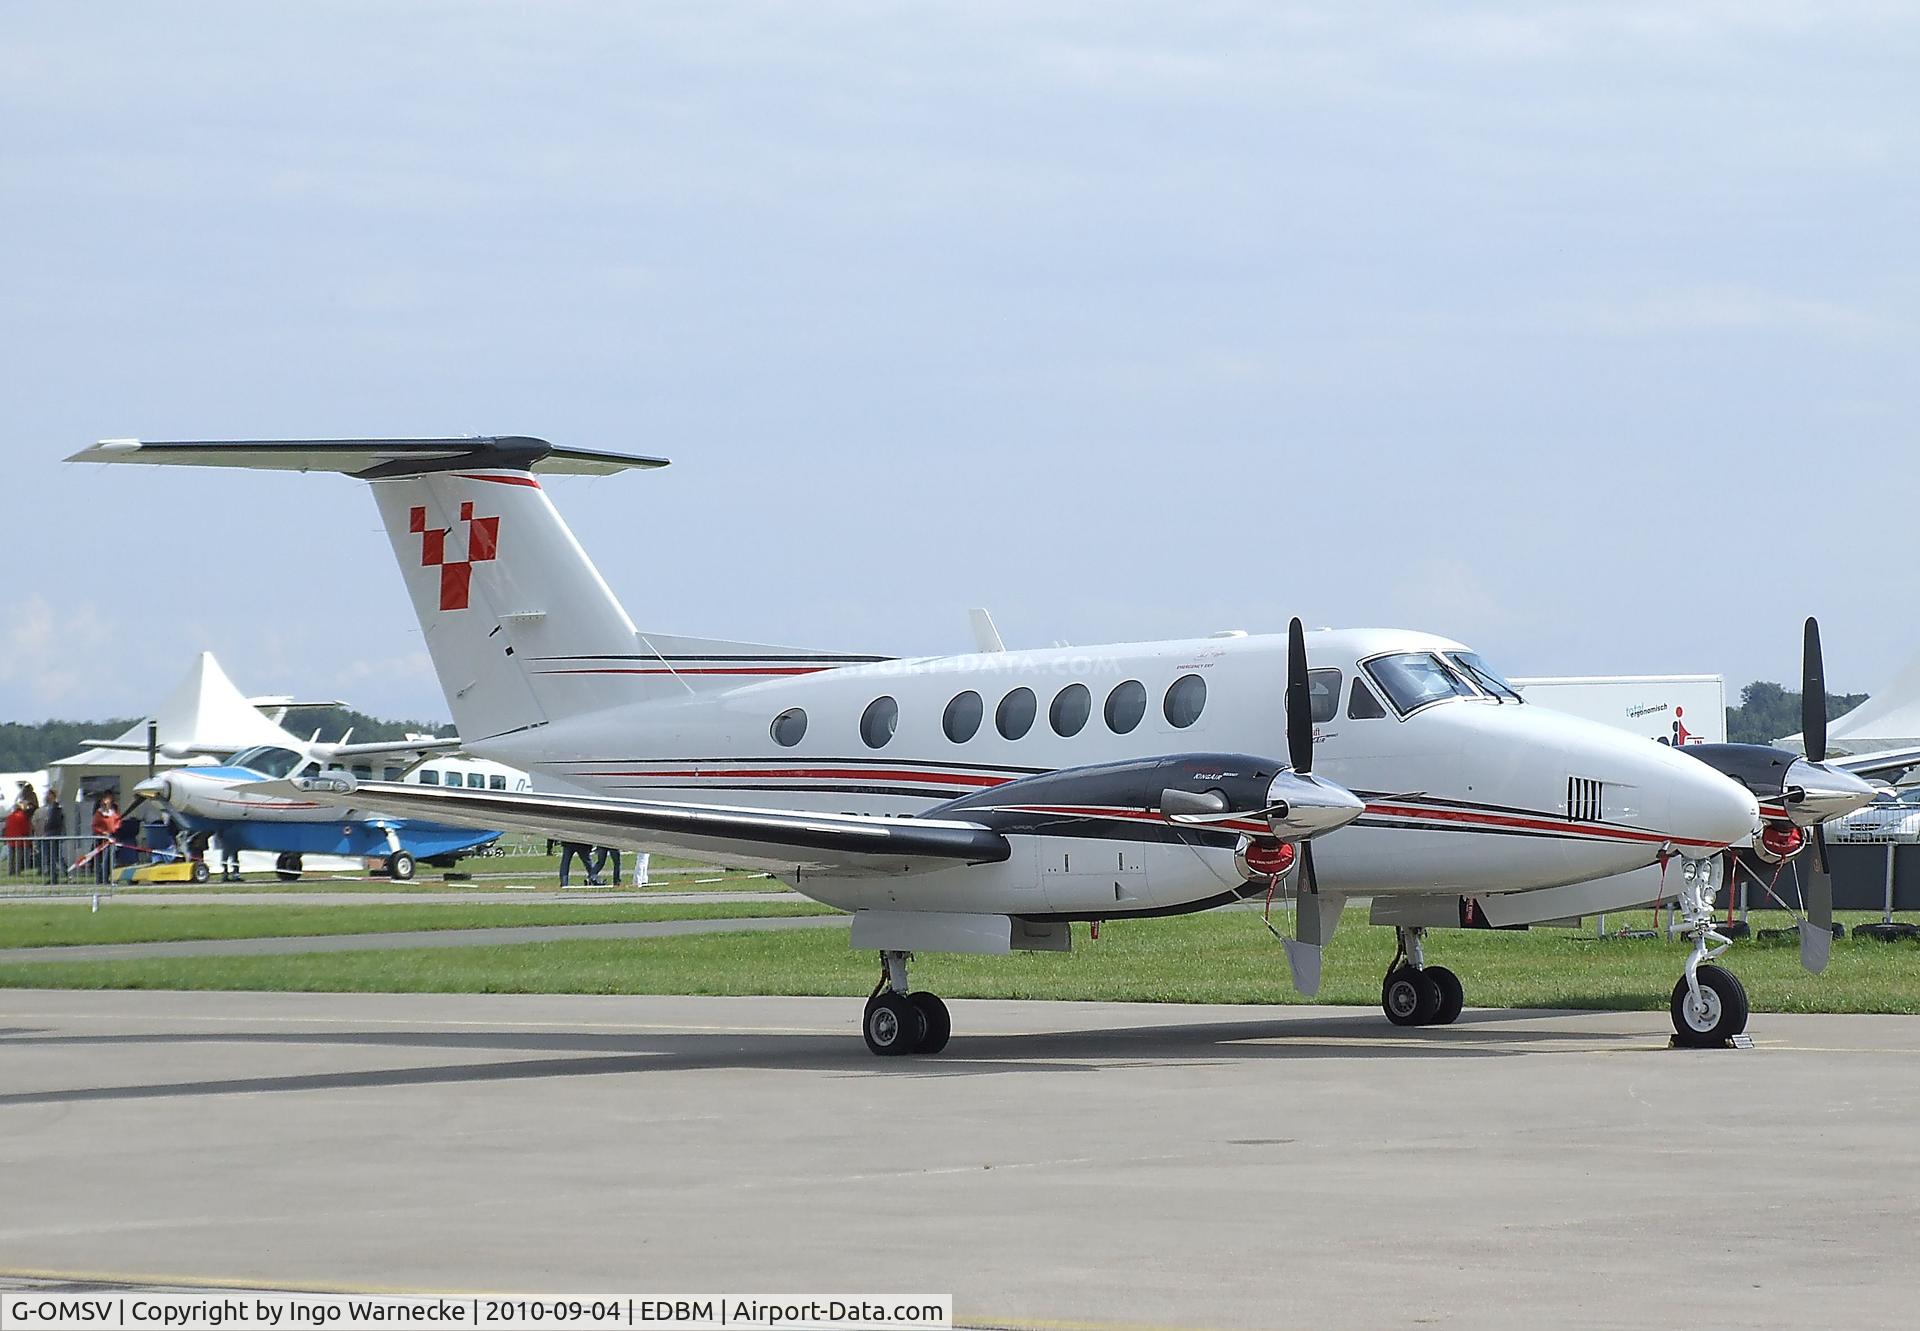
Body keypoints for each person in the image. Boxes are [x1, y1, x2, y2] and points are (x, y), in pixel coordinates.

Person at [33, 787, 66, 883]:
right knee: (50, 857)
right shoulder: (48, 808)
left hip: (53, 835)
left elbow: (56, 822)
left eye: (49, 794)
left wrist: (48, 829)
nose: (47, 796)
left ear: (53, 796)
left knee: (55, 856)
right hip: (47, 835)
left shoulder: (57, 808)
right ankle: (53, 877)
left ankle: (66, 873)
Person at [91, 796, 120, 884]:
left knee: (109, 859)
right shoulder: (98, 814)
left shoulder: (113, 813)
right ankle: (100, 878)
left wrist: (115, 829)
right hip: (101, 839)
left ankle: (106, 877)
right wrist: (104, 832)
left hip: (110, 838)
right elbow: (95, 826)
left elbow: (116, 822)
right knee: (102, 860)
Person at [3, 798, 30, 878]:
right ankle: (17, 872)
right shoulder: (22, 816)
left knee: (11, 857)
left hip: (10, 839)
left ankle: (10, 872)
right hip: (19, 840)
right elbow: (25, 828)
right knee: (18, 857)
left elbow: (6, 828)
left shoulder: (10, 817)